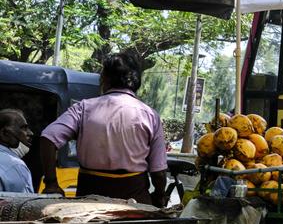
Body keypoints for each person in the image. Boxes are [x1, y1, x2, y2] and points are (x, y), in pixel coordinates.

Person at [40, 53, 168, 206]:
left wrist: (51, 183)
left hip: (89, 201)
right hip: (134, 203)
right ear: (136, 81)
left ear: (104, 79)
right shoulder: (150, 115)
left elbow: (48, 138)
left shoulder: (84, 108)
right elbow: (158, 173)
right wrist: (159, 196)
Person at [0, 109, 34, 193]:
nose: (30, 133)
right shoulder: (16, 165)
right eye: (24, 128)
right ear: (5, 133)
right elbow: (26, 204)